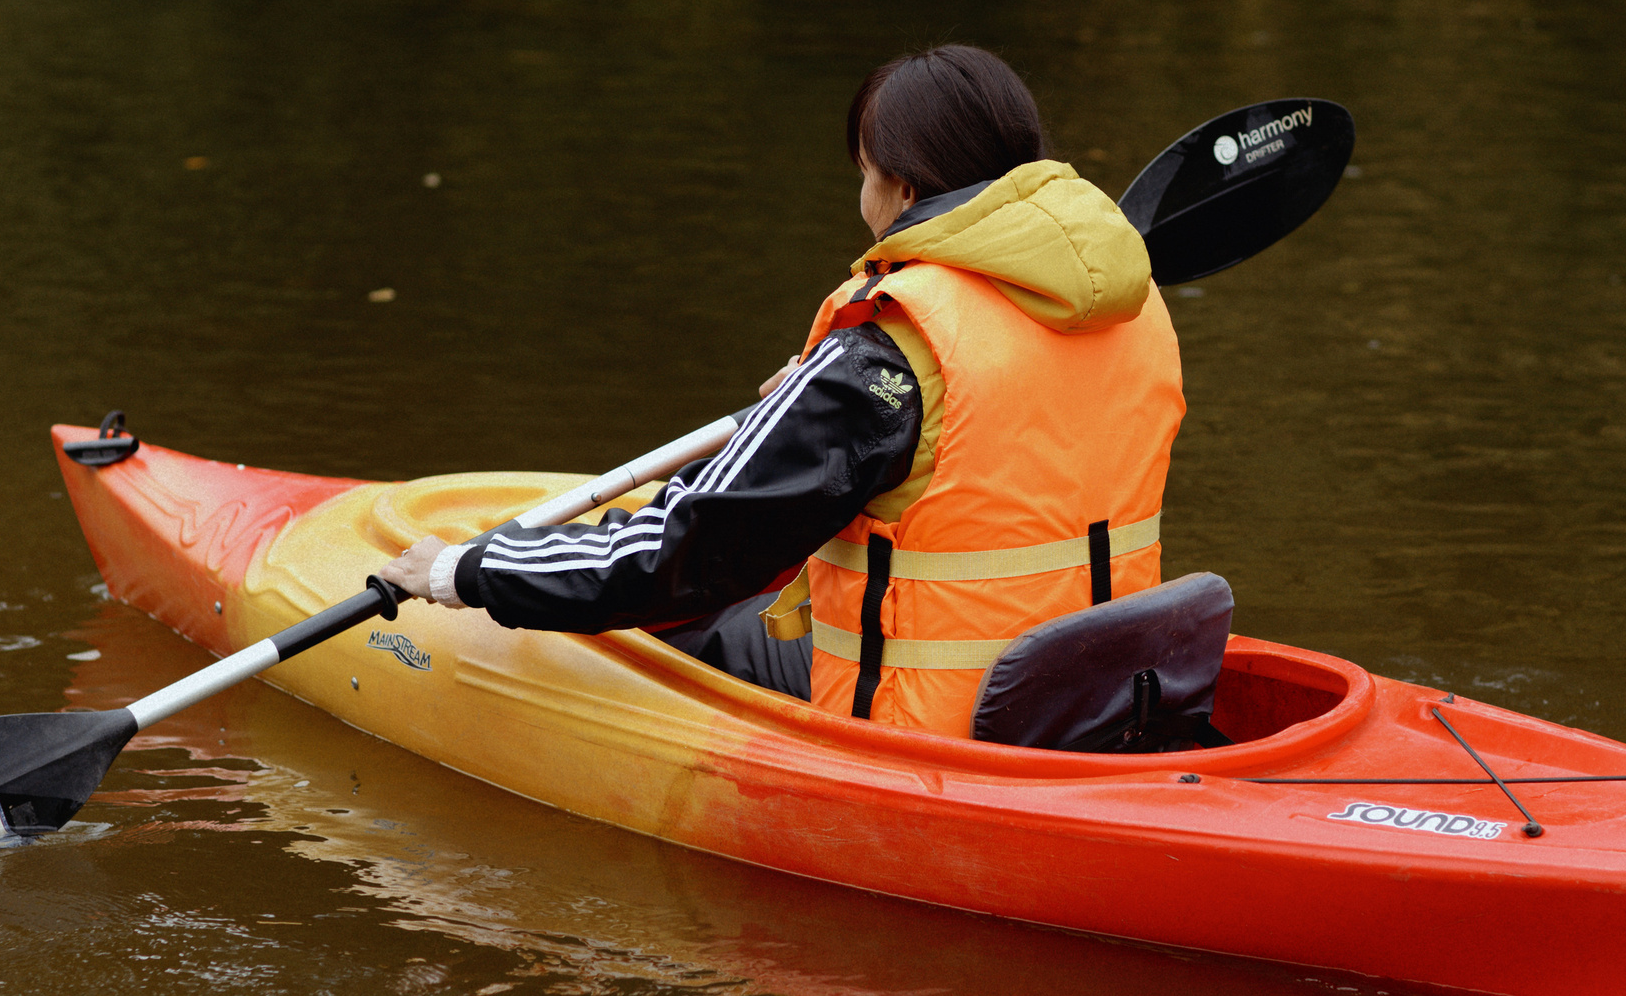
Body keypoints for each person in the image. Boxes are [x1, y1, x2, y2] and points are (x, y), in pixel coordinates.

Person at [378, 43, 1184, 737]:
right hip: (1100, 693)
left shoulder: (886, 353)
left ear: (904, 189)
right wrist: (819, 395)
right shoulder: (1132, 306)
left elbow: (683, 552)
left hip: (932, 726)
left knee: (664, 633)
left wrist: (471, 568)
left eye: (865, 175)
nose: (863, 199)